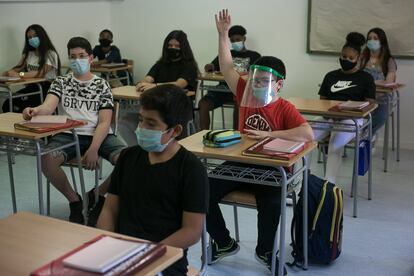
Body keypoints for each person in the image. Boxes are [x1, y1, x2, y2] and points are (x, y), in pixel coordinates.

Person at [206, 9, 313, 274]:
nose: (257, 86)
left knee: (273, 204)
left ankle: (264, 251)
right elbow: (227, 67)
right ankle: (223, 242)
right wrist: (222, 35)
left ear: (279, 84)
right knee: (200, 189)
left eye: (265, 81)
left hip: (271, 169)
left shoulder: (284, 108)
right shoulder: (244, 91)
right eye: (255, 80)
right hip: (241, 163)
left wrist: (270, 135)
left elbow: (307, 134)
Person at [97, 84, 208, 276]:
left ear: (175, 130)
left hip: (164, 257)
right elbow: (110, 208)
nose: (141, 128)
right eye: (140, 120)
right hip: (122, 252)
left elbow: (192, 231)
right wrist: (107, 243)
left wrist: (147, 254)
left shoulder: (191, 169)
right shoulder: (128, 157)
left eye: (151, 123)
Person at [22, 37, 126, 225]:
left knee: (128, 161)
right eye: (73, 56)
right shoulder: (61, 82)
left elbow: (104, 122)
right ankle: (74, 200)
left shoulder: (102, 85)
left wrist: (94, 148)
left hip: (99, 134)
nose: (77, 60)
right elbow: (48, 106)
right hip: (67, 134)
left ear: (91, 58)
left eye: (82, 56)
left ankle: (97, 194)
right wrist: (35, 111)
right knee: (45, 159)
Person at [314, 32, 376, 184]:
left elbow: (370, 105)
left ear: (358, 59)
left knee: (335, 143)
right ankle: (300, 183)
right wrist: (331, 114)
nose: (346, 60)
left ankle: (329, 185)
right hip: (329, 117)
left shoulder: (365, 78)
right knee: (304, 138)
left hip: (352, 120)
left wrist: (348, 111)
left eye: (350, 58)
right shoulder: (330, 76)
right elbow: (322, 102)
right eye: (343, 57)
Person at [118, 30, 198, 145]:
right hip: (156, 106)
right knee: (124, 121)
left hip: (178, 108)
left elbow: (179, 84)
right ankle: (140, 152)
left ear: (183, 48)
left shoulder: (189, 66)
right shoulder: (160, 64)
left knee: (155, 123)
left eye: (177, 46)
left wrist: (154, 86)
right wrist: (143, 83)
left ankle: (159, 150)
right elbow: (148, 78)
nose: (173, 48)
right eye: (170, 45)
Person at [198, 25, 261, 130]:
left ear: (244, 39)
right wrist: (210, 67)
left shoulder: (255, 56)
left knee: (239, 105)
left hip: (240, 91)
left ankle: (236, 136)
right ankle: (203, 135)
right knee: (203, 104)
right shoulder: (227, 54)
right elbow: (213, 66)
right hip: (222, 91)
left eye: (238, 39)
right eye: (232, 40)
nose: (235, 42)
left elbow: (256, 75)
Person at [2, 24, 60, 112]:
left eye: (35, 36)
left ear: (42, 36)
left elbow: (41, 73)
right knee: (7, 103)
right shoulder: (28, 54)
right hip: (32, 87)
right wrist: (7, 73)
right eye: (29, 37)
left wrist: (19, 74)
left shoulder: (51, 54)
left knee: (22, 107)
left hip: (47, 89)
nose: (32, 39)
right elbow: (18, 67)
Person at [360, 27, 397, 135]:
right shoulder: (362, 58)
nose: (372, 41)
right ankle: (360, 136)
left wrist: (375, 92)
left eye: (375, 38)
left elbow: (388, 83)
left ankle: (366, 134)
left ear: (382, 41)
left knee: (381, 116)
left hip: (381, 97)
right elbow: (355, 76)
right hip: (363, 96)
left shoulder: (389, 60)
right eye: (369, 38)